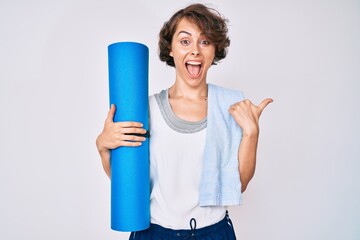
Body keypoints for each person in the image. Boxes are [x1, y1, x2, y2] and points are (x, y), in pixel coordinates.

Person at [96, 3, 272, 239]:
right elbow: (130, 183)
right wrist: (103, 147)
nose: (196, 51)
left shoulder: (230, 107)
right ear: (170, 49)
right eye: (185, 41)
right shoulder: (144, 109)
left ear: (214, 50)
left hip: (213, 232)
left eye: (205, 41)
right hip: (154, 233)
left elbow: (238, 185)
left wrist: (252, 133)